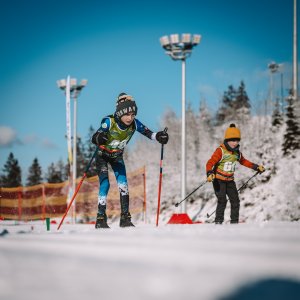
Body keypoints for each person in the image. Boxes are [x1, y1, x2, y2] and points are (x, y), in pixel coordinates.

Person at [91, 92, 169, 229]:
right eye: (127, 114)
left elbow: (150, 134)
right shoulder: (109, 121)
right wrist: (98, 138)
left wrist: (160, 136)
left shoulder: (134, 124)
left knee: (123, 185)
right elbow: (96, 136)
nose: (130, 118)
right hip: (102, 155)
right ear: (120, 113)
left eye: (133, 115)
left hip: (117, 157)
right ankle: (100, 218)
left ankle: (125, 218)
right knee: (105, 184)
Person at [206, 123, 265, 224]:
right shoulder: (220, 151)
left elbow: (244, 161)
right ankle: (218, 222)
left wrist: (256, 167)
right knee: (222, 201)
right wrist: (209, 173)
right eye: (232, 140)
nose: (235, 143)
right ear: (227, 140)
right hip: (218, 180)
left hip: (230, 180)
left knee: (235, 201)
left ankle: (234, 223)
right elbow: (210, 163)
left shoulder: (237, 153)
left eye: (237, 140)